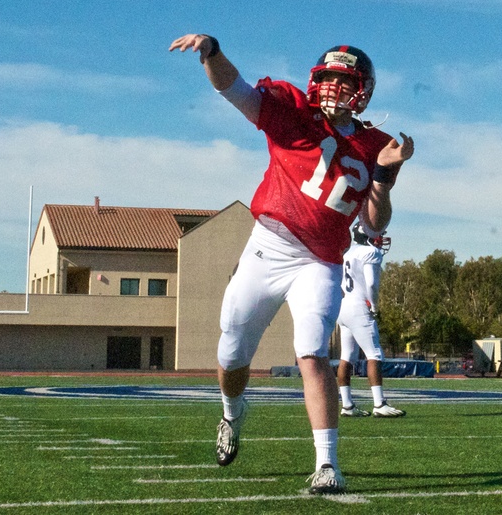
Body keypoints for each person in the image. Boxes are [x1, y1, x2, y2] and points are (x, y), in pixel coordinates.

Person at [170, 34, 414, 494]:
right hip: (269, 245)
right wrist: (213, 51)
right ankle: (232, 411)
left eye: (344, 81)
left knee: (311, 352)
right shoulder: (293, 111)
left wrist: (383, 176)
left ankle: (327, 463)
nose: (333, 89)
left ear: (362, 90)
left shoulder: (376, 145)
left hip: (320, 260)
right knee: (232, 350)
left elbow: (375, 219)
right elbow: (235, 89)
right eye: (328, 79)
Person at [336, 224, 405, 418]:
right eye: (378, 234)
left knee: (346, 356)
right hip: (359, 307)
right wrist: (374, 305)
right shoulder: (370, 252)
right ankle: (379, 403)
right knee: (374, 353)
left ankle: (347, 405)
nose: (380, 238)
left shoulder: (348, 253)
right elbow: (372, 284)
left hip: (343, 306)